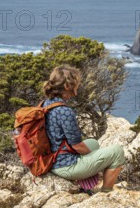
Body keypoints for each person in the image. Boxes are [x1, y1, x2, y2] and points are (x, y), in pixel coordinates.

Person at [42, 65, 125, 193]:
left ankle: (86, 185)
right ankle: (106, 193)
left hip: (52, 159)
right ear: (67, 87)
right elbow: (77, 147)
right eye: (76, 84)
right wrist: (92, 158)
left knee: (93, 143)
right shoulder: (64, 111)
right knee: (117, 151)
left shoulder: (46, 103)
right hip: (65, 166)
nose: (78, 87)